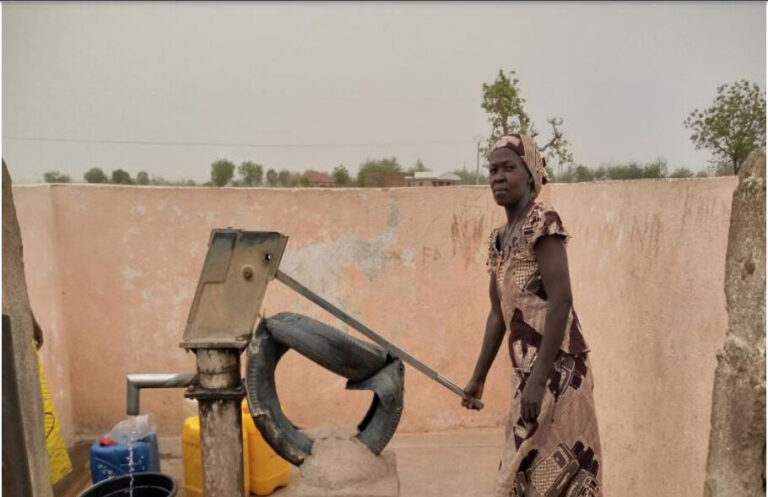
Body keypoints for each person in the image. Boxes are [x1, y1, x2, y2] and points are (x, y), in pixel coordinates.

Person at [462, 134, 602, 497]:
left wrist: (539, 381)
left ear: (531, 174)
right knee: (522, 473)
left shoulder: (543, 222)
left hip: (560, 372)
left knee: (557, 475)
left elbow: (561, 301)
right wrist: (478, 378)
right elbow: (498, 313)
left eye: (509, 168)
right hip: (527, 375)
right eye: (493, 169)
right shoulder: (498, 239)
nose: (498, 177)